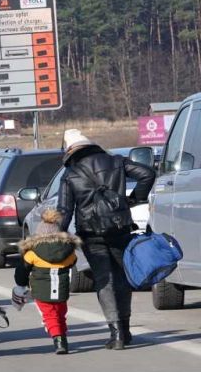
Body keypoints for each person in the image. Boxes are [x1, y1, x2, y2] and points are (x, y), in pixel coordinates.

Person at [57, 129, 155, 350]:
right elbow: (147, 174)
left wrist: (58, 236)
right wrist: (134, 199)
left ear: (70, 150)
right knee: (122, 277)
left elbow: (64, 210)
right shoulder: (115, 161)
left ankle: (116, 333)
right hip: (119, 228)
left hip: (91, 234)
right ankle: (126, 329)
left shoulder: (70, 174)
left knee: (104, 280)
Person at [13, 209, 81, 355]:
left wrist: (21, 284)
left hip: (41, 289)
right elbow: (72, 262)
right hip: (62, 288)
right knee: (61, 313)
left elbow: (22, 271)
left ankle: (59, 340)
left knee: (50, 315)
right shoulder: (67, 251)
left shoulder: (32, 253)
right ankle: (63, 337)